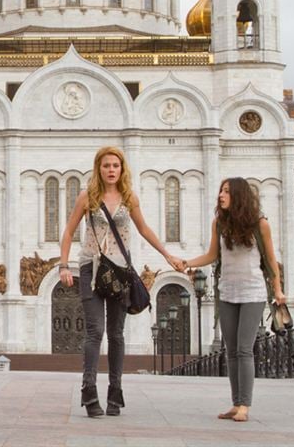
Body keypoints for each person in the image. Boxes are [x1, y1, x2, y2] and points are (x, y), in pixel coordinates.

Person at [58, 146, 184, 417]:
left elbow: (145, 229)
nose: (111, 170)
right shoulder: (87, 196)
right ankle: (89, 392)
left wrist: (168, 254)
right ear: (98, 168)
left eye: (116, 165)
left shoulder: (129, 198)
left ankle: (115, 393)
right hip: (91, 269)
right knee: (95, 331)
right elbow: (68, 231)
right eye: (106, 165)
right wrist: (64, 265)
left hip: (120, 272)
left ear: (122, 169)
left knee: (116, 334)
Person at [181, 178, 285, 423]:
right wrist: (187, 263)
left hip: (253, 292)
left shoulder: (260, 225)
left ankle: (245, 405)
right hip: (227, 292)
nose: (221, 195)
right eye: (220, 191)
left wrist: (278, 291)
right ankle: (236, 402)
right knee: (230, 352)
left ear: (239, 196)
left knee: (243, 349)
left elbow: (271, 261)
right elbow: (211, 255)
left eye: (226, 191)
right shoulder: (220, 223)